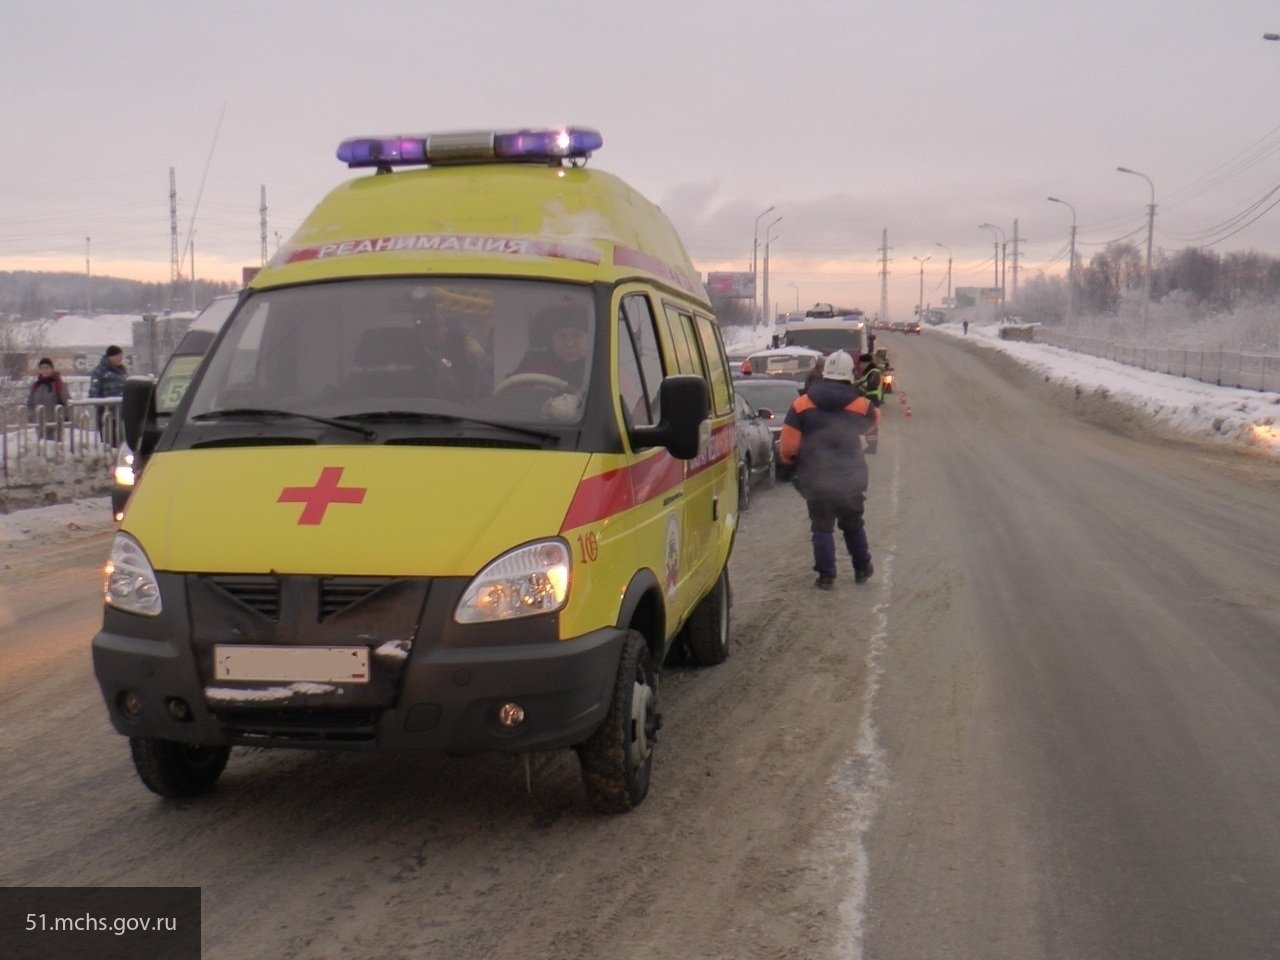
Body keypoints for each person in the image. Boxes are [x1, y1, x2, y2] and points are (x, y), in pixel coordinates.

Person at [779, 350, 880, 590]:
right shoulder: (860, 404)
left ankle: (826, 576)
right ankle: (862, 568)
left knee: (822, 527)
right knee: (853, 523)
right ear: (849, 374)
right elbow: (873, 421)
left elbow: (789, 444)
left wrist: (790, 462)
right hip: (850, 477)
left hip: (816, 476)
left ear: (825, 374)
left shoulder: (802, 403)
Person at [511, 300, 591, 388]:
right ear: (551, 340)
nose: (569, 343)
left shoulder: (598, 365)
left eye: (576, 335)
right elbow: (508, 392)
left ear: (589, 340)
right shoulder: (532, 363)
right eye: (562, 336)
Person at [89, 345, 128, 445]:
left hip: (122, 414)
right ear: (110, 357)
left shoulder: (122, 371)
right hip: (107, 414)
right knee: (109, 443)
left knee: (123, 442)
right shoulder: (99, 371)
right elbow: (94, 391)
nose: (120, 358)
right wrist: (100, 410)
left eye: (121, 356)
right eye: (118, 356)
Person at [26, 357, 69, 441]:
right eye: (42, 368)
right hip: (39, 423)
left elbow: (66, 402)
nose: (45, 370)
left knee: (54, 448)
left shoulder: (59, 385)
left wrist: (66, 417)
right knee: (42, 448)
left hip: (55, 423)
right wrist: (31, 417)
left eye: (47, 368)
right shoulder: (36, 386)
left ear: (52, 369)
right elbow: (30, 403)